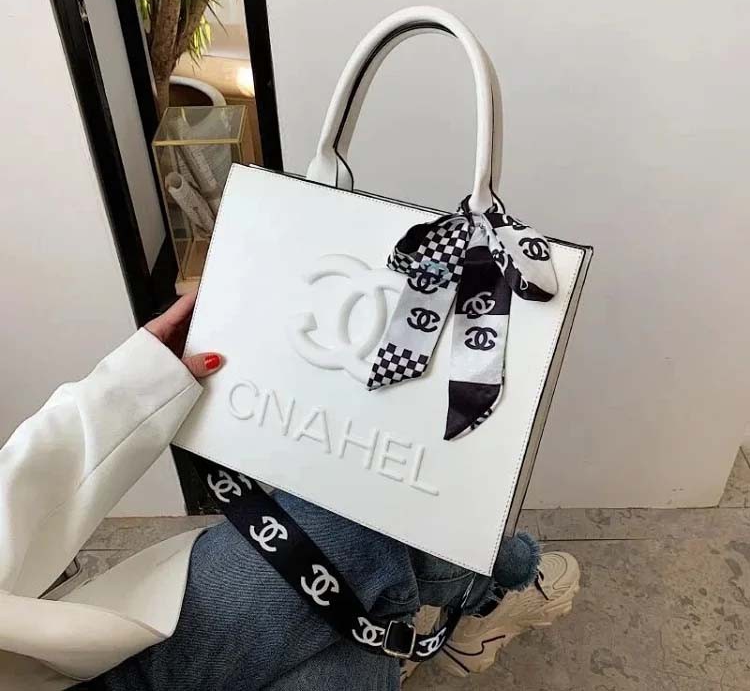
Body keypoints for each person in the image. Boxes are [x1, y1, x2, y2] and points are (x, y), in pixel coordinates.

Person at [0, 294, 579, 690]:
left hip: (84, 674)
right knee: (349, 641)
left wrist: (128, 390)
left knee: (350, 525)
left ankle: (471, 600)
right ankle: (474, 601)